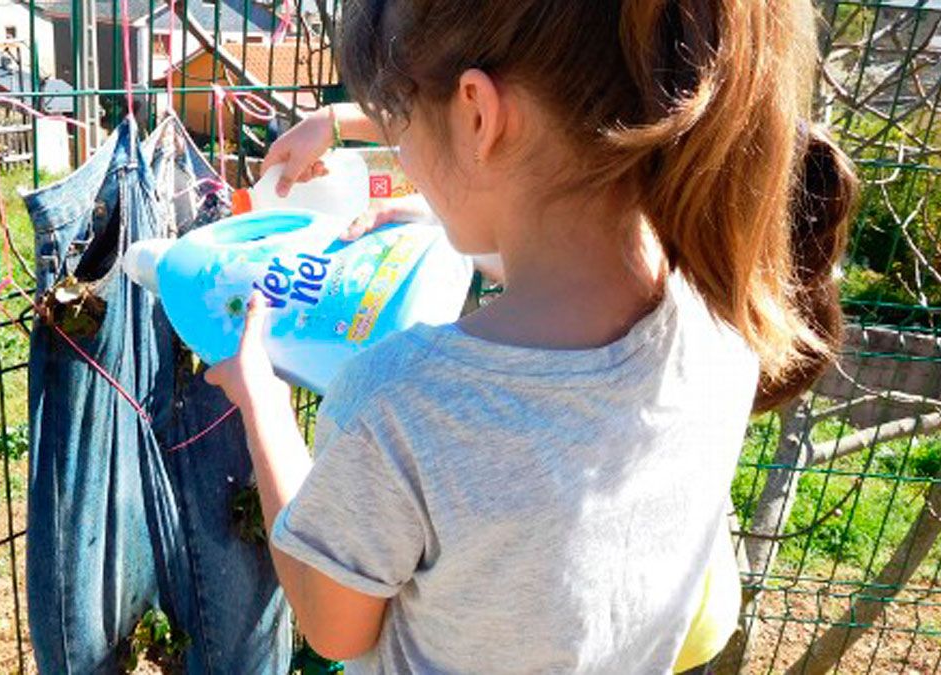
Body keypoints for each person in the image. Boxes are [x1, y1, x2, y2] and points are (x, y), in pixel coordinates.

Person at [204, 1, 858, 672]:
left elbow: (332, 624)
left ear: (479, 114)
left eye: (401, 119)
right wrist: (342, 126)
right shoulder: (723, 316)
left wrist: (264, 403)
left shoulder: (402, 407)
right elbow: (551, 155)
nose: (399, 148)